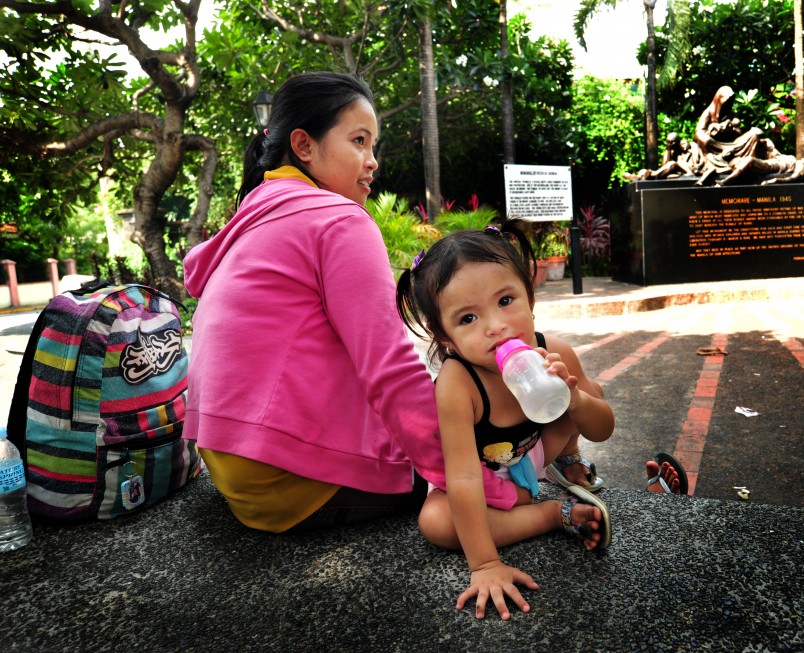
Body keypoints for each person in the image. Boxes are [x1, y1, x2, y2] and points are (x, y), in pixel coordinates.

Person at [182, 71, 516, 534]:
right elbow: (391, 368)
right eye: (359, 141)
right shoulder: (338, 220)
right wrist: (490, 489)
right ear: (304, 146)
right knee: (475, 409)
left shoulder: (254, 216)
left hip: (237, 471)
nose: (372, 160)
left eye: (373, 145)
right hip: (294, 479)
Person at [396, 221, 615, 620]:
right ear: (444, 338)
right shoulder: (458, 384)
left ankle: (567, 462)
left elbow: (602, 427)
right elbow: (462, 478)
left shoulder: (554, 349)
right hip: (485, 478)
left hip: (532, 453)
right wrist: (484, 565)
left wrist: (575, 397)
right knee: (435, 522)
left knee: (586, 395)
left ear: (530, 296)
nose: (495, 327)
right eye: (467, 319)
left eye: (505, 301)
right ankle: (551, 514)